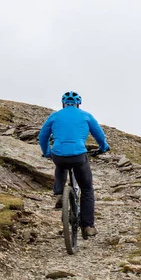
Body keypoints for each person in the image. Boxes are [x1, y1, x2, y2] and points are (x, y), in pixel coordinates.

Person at [38, 91, 110, 237]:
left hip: (58, 154)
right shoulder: (86, 115)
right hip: (78, 154)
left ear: (63, 103)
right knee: (87, 188)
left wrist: (46, 152)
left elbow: (42, 136)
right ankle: (88, 226)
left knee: (60, 164)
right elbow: (99, 135)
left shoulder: (55, 115)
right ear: (78, 104)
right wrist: (103, 148)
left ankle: (59, 193)